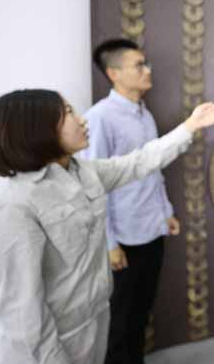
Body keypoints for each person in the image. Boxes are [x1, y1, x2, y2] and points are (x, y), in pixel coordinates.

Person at [0, 88, 214, 364]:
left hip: (94, 325)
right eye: (68, 113)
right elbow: (22, 312)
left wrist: (189, 126)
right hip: (51, 346)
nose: (82, 120)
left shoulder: (84, 172)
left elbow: (138, 162)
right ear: (36, 129)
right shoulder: (14, 208)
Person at [80, 39, 183, 364]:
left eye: (145, 63)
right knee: (119, 323)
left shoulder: (143, 114)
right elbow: (93, 184)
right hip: (122, 238)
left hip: (149, 228)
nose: (147, 70)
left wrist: (164, 211)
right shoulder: (100, 118)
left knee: (140, 314)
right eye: (138, 65)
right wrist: (109, 243)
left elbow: (151, 169)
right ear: (113, 73)